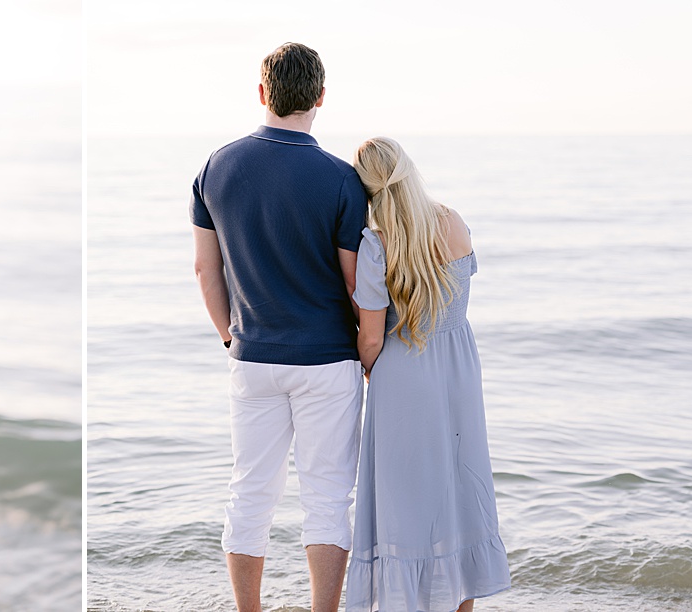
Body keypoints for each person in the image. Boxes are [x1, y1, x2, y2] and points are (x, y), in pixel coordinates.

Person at [191, 42, 367, 612]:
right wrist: (369, 347)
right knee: (327, 499)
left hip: (252, 358)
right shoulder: (342, 179)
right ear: (321, 97)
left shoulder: (216, 167)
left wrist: (230, 336)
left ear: (263, 92)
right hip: (329, 360)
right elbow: (355, 284)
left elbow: (205, 268)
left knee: (249, 494)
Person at [342, 137, 511, 611]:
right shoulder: (453, 221)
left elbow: (371, 338)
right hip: (459, 371)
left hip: (403, 375)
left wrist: (369, 371)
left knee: (406, 506)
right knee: (459, 492)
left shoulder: (376, 244)